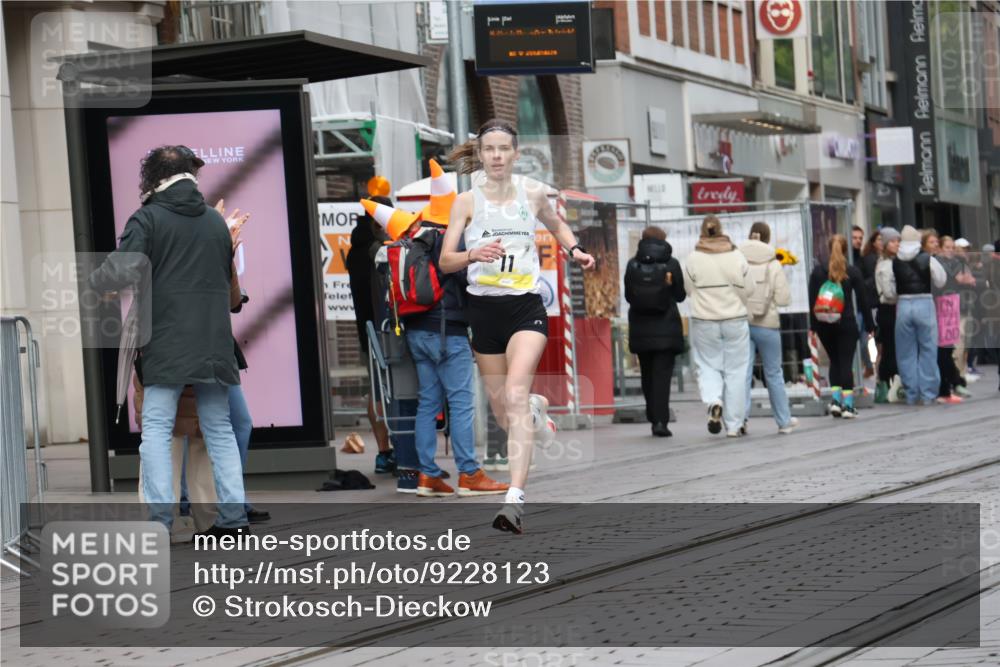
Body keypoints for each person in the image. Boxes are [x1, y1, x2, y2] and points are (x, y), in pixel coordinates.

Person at [439, 119, 595, 534]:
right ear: (480, 153)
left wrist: (574, 249)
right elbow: (444, 261)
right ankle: (536, 415)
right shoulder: (465, 202)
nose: (495, 156)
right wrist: (473, 254)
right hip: (482, 312)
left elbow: (555, 222)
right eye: (488, 149)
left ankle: (514, 501)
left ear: (515, 153)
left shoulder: (533, 191)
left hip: (525, 308)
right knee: (505, 412)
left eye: (503, 148)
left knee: (513, 392)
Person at [89, 145, 247, 535]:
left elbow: (117, 275)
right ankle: (234, 519)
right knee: (220, 429)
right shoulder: (215, 223)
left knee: (157, 430)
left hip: (165, 343)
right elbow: (230, 293)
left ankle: (160, 521)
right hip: (214, 345)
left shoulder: (147, 219)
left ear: (154, 178)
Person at [362, 165, 509, 499]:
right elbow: (464, 284)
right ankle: (469, 473)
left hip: (416, 333)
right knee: (460, 403)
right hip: (448, 332)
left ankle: (427, 475)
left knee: (427, 401)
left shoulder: (412, 242)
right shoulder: (447, 240)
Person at [682, 215, 754, 437]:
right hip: (735, 318)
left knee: (707, 365)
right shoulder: (736, 255)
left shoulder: (693, 258)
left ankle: (714, 400)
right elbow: (749, 288)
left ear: (702, 232)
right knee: (736, 371)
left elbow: (688, 289)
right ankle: (733, 425)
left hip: (704, 319)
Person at [346, 194, 395, 475]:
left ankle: (383, 451)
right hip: (386, 329)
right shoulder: (379, 249)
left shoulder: (356, 248)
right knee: (388, 392)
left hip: (367, 330)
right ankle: (390, 451)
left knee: (375, 389)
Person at [624, 226, 686, 438]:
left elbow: (629, 297)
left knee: (647, 374)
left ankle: (653, 415)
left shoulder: (632, 264)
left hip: (641, 328)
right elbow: (680, 296)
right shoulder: (672, 264)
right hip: (666, 328)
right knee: (662, 377)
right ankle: (660, 420)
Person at [739, 222, 797, 434]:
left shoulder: (739, 260)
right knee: (773, 373)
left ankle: (740, 420)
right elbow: (783, 299)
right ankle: (783, 421)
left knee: (743, 374)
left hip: (743, 324)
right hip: (768, 325)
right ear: (767, 238)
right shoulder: (773, 263)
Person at [809, 234, 874, 419]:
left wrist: (813, 326)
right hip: (846, 323)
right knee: (846, 363)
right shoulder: (852, 272)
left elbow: (812, 300)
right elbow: (863, 301)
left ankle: (836, 402)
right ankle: (848, 405)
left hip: (823, 324)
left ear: (829, 249)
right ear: (845, 250)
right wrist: (870, 325)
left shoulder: (817, 272)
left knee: (834, 362)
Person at [892, 225, 946, 405]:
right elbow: (941, 280)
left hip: (903, 305)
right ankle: (928, 393)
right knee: (928, 350)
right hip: (924, 303)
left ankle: (911, 393)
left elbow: (892, 290)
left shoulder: (895, 260)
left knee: (905, 352)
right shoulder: (927, 259)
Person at [933, 235, 973, 402]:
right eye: (946, 247)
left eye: (951, 247)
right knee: (947, 346)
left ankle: (954, 380)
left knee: (951, 345)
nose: (949, 250)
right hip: (944, 303)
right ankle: (954, 381)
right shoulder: (942, 263)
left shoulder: (951, 263)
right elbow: (963, 279)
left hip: (951, 303)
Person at [874, 227, 901, 402]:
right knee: (890, 348)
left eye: (898, 241)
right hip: (888, 309)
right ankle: (885, 383)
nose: (896, 244)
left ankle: (889, 382)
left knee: (894, 347)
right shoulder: (885, 265)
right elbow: (889, 292)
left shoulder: (894, 262)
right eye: (892, 241)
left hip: (893, 309)